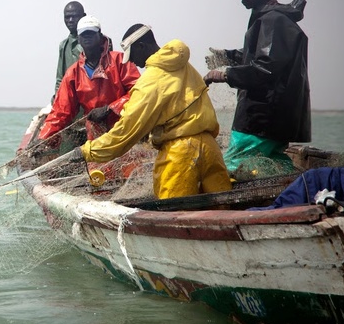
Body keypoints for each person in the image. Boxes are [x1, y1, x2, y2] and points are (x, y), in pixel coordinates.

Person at [78, 25, 231, 199]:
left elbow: (125, 132)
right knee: (223, 209)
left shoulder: (150, 81)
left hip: (179, 156)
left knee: (175, 218)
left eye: (132, 55)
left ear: (141, 46)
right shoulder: (184, 65)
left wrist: (87, 151)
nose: (131, 62)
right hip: (211, 148)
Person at [204, 0, 310, 175]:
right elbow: (259, 53)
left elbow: (265, 68)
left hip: (262, 116)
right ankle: (291, 187)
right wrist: (227, 55)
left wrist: (225, 74)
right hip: (276, 118)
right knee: (271, 161)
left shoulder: (272, 20)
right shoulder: (272, 18)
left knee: (232, 166)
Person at [39, 16, 140, 142]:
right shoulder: (73, 73)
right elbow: (60, 112)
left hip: (125, 128)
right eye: (84, 34)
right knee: (98, 159)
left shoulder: (120, 61)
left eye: (91, 33)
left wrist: (111, 109)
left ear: (100, 36)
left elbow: (140, 92)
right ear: (79, 39)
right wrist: (43, 138)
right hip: (95, 133)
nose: (87, 37)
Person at [54, 1, 87, 97]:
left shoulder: (97, 42)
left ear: (83, 16)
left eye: (74, 16)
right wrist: (57, 99)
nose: (71, 20)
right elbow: (60, 79)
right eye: (67, 17)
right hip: (70, 101)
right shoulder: (64, 45)